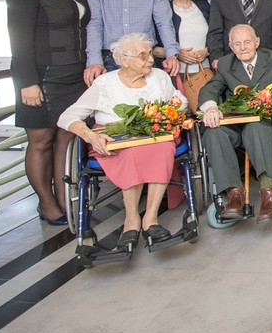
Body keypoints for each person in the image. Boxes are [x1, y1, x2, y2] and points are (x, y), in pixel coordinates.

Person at [58, 33, 187, 248]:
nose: (150, 59)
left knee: (164, 148)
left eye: (150, 53)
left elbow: (180, 102)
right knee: (131, 153)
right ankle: (131, 220)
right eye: (143, 55)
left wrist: (168, 112)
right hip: (116, 139)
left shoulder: (159, 77)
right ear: (124, 60)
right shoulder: (105, 83)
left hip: (154, 136)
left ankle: (151, 219)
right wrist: (91, 137)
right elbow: (67, 117)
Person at [7, 0, 91, 226]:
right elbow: (19, 39)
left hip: (73, 76)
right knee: (41, 140)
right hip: (41, 76)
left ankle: (65, 198)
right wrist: (28, 82)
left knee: (67, 137)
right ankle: (46, 202)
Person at [198, 25, 272, 223]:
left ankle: (270, 194)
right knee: (214, 132)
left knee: (255, 128)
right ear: (231, 47)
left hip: (268, 122)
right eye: (237, 44)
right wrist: (211, 107)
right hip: (237, 123)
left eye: (247, 42)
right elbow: (209, 89)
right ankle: (234, 196)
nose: (243, 47)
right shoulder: (225, 64)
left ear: (257, 42)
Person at [158, 0, 210, 74]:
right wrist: (176, 54)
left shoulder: (205, 7)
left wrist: (207, 51)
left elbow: (217, 36)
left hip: (205, 71)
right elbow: (154, 49)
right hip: (175, 73)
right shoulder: (163, 11)